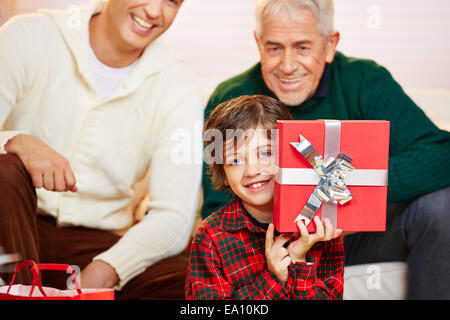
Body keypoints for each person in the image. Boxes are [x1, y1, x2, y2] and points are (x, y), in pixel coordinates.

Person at [201, 0, 450, 299]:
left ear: (330, 44)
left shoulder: (365, 81)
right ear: (258, 43)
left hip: (358, 240)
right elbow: (216, 206)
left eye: (303, 47)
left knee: (440, 205)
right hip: (270, 245)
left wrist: (349, 187)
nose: (288, 65)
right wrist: (282, 231)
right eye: (274, 48)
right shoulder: (229, 99)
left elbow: (441, 153)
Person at [0, 0, 203, 299]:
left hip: (100, 245)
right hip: (14, 223)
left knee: (191, 284)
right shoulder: (28, 36)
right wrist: (17, 140)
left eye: (171, 1)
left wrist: (107, 268)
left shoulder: (179, 85)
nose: (154, 11)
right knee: (5, 169)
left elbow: (173, 215)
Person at [185, 95, 344, 299]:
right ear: (223, 174)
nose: (252, 170)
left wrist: (297, 260)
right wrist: (273, 279)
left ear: (290, 156)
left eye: (266, 153)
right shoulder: (210, 237)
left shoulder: (321, 229)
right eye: (235, 160)